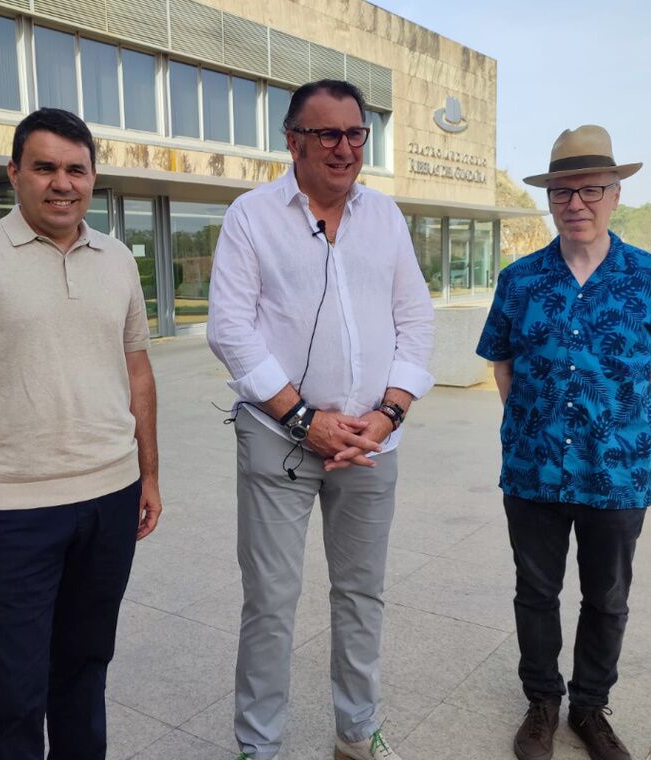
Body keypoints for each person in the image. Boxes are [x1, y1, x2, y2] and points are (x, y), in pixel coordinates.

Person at [0, 107, 161, 760]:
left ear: (93, 177)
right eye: (45, 167)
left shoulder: (116, 259)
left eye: (76, 169)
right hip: (11, 512)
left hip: (110, 500)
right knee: (13, 695)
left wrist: (150, 475)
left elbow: (137, 373)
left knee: (84, 674)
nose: (62, 183)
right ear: (14, 173)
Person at [207, 79, 434, 760]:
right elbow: (230, 328)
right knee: (272, 601)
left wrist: (388, 414)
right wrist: (305, 418)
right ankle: (259, 747)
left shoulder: (386, 217)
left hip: (370, 444)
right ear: (293, 141)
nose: (344, 147)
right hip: (279, 436)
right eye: (327, 133)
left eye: (356, 133)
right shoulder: (252, 216)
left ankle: (357, 734)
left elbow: (415, 321)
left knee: (362, 594)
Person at [476, 125, 651, 760]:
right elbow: (504, 366)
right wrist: (541, 428)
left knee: (607, 597)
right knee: (536, 593)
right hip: (532, 470)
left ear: (615, 192)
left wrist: (616, 426)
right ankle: (542, 701)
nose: (576, 203)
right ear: (550, 199)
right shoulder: (520, 281)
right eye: (562, 193)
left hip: (617, 473)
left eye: (591, 189)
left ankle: (591, 708)